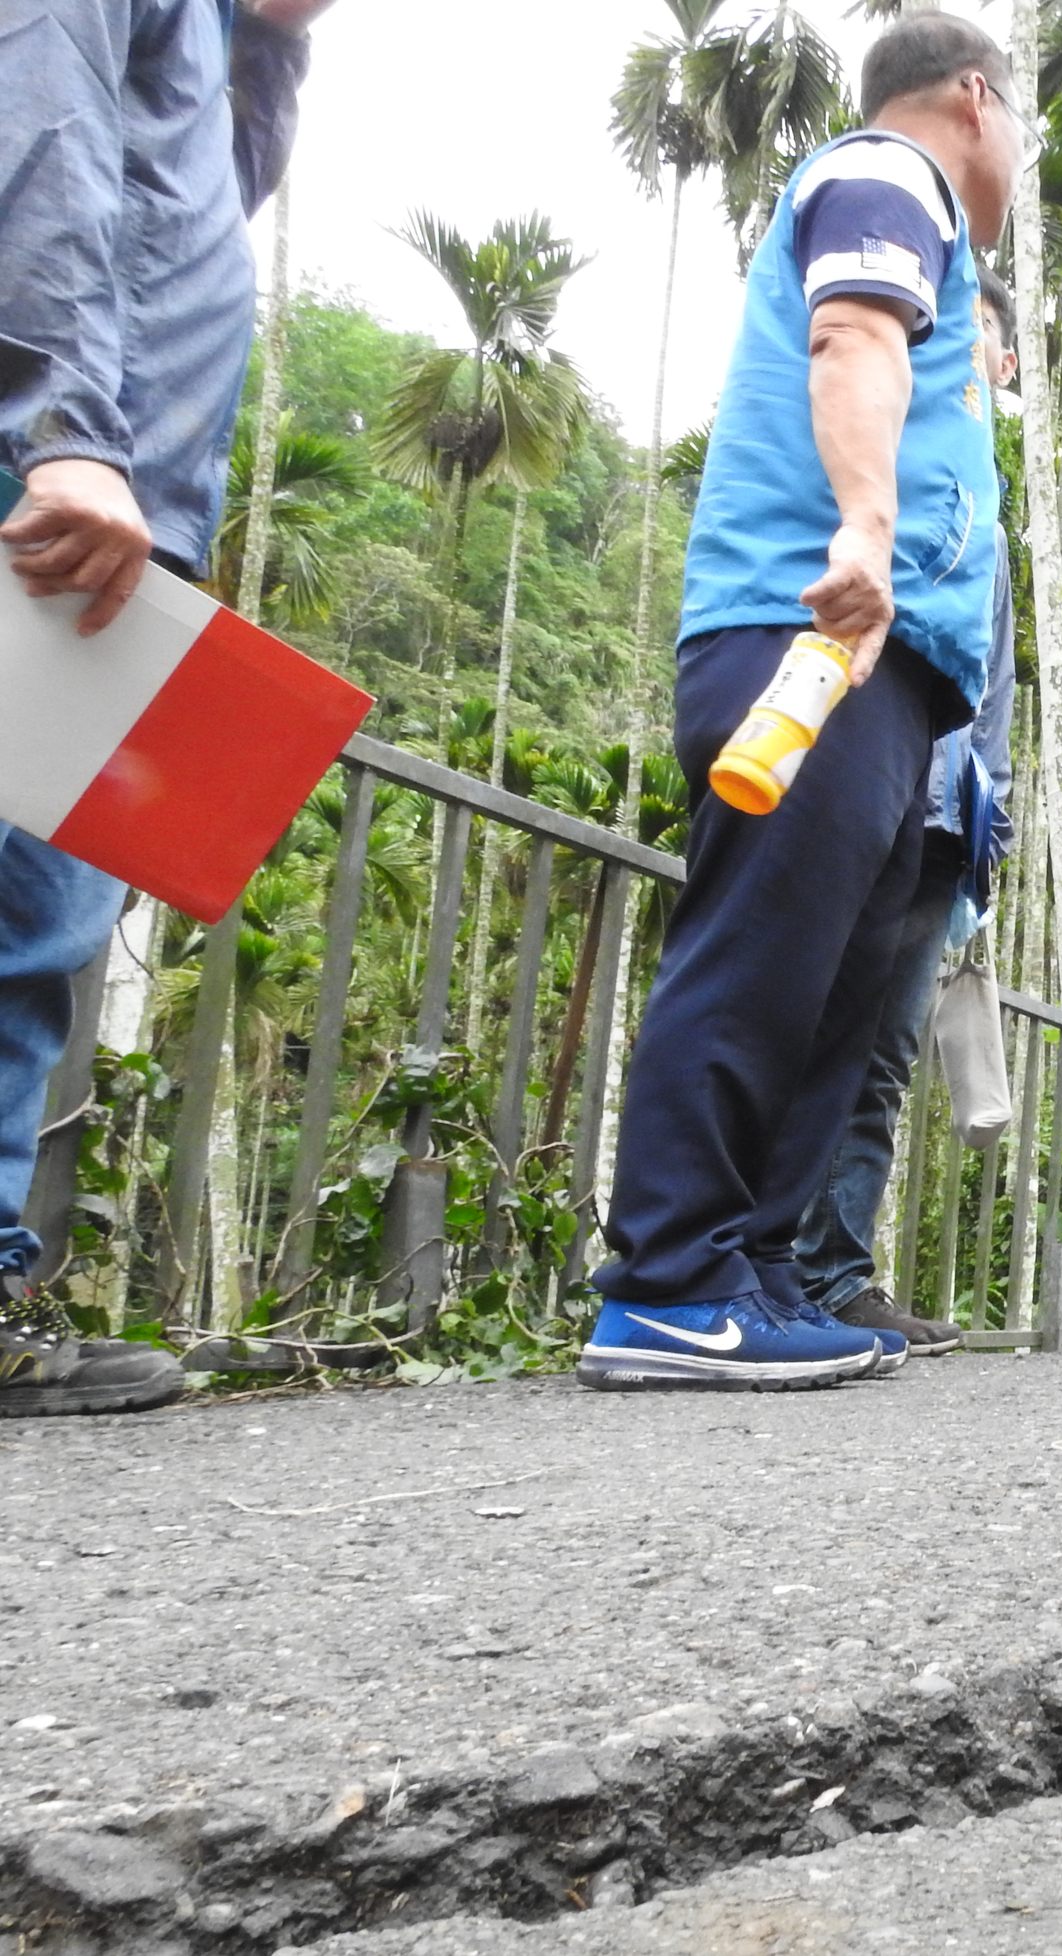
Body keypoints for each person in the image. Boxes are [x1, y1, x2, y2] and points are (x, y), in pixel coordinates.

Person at [579, 14, 1025, 1392]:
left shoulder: (917, 197)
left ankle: (754, 1275)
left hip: (894, 671)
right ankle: (665, 1281)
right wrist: (867, 527)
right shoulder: (891, 174)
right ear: (972, 95)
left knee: (830, 991)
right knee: (761, 958)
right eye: (1020, 121)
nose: (1020, 152)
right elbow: (854, 340)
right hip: (813, 632)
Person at [0, 0, 335, 1417]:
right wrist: (64, 429)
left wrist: (271, 44)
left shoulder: (218, 35)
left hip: (124, 512)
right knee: (14, 896)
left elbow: (195, 200)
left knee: (38, 917)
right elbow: (42, 132)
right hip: (58, 484)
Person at [790, 264, 1023, 1358]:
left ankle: (834, 1274)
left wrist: (990, 838)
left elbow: (995, 694)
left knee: (879, 1055)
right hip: (841, 787)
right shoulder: (867, 464)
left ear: (1003, 364)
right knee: (790, 1022)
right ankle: (745, 1261)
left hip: (940, 822)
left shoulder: (989, 523)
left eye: (971, 334)